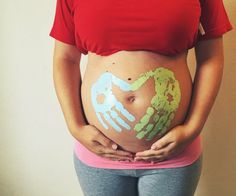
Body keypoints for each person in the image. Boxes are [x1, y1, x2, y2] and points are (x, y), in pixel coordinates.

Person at [49, 0, 233, 195]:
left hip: (173, 154)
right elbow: (65, 58)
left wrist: (193, 128)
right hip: (99, 153)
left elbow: (210, 57)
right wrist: (75, 126)